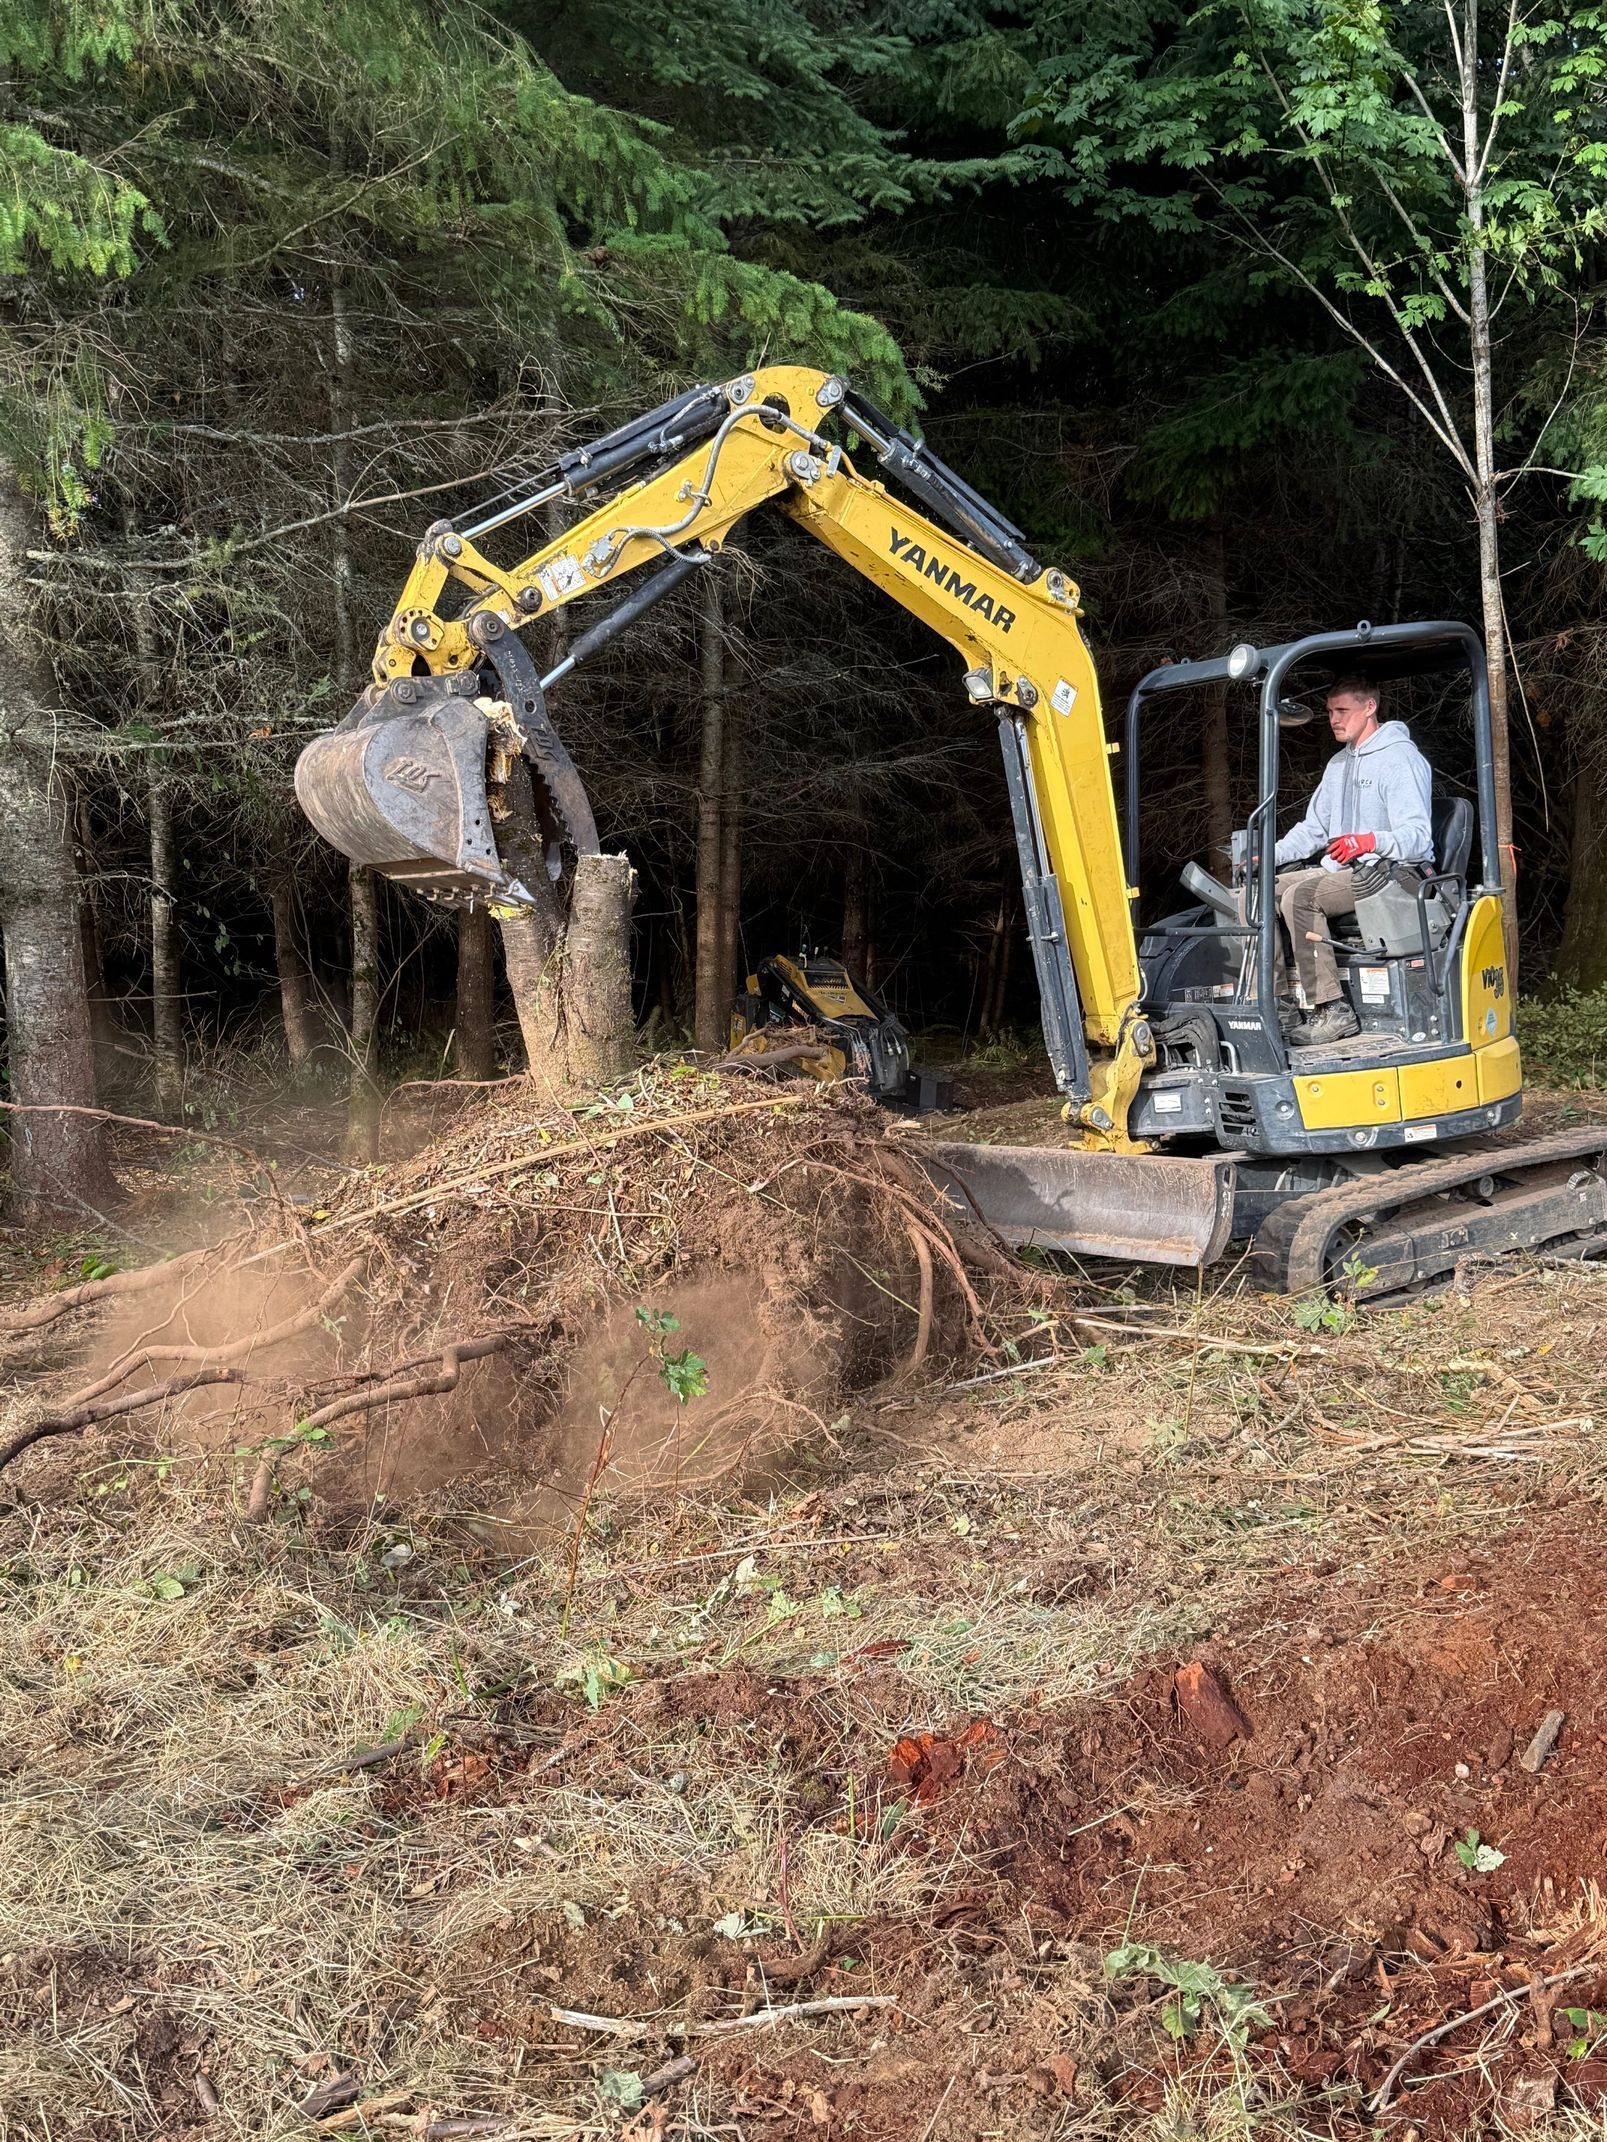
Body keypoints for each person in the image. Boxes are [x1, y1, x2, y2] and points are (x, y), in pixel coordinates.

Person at [1269, 677, 1433, 1045]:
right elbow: (1313, 829)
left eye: (1342, 711)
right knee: (1257, 894)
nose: (1333, 719)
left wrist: (1369, 841)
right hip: (1346, 871)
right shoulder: (1338, 765)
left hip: (1392, 873)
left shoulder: (1400, 759)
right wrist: (1267, 856)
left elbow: (1419, 837)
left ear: (1370, 707)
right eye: (1330, 712)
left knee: (1302, 897)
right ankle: (1277, 1006)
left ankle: (1332, 1009)